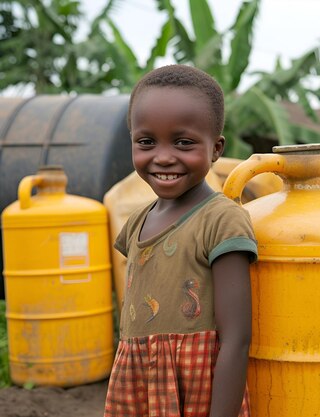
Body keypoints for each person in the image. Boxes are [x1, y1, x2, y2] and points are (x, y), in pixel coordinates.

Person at [104, 64, 257, 417]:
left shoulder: (221, 220)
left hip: (197, 386)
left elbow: (236, 340)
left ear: (216, 149)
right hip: (138, 380)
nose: (163, 156)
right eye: (146, 142)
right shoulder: (137, 221)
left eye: (183, 142)